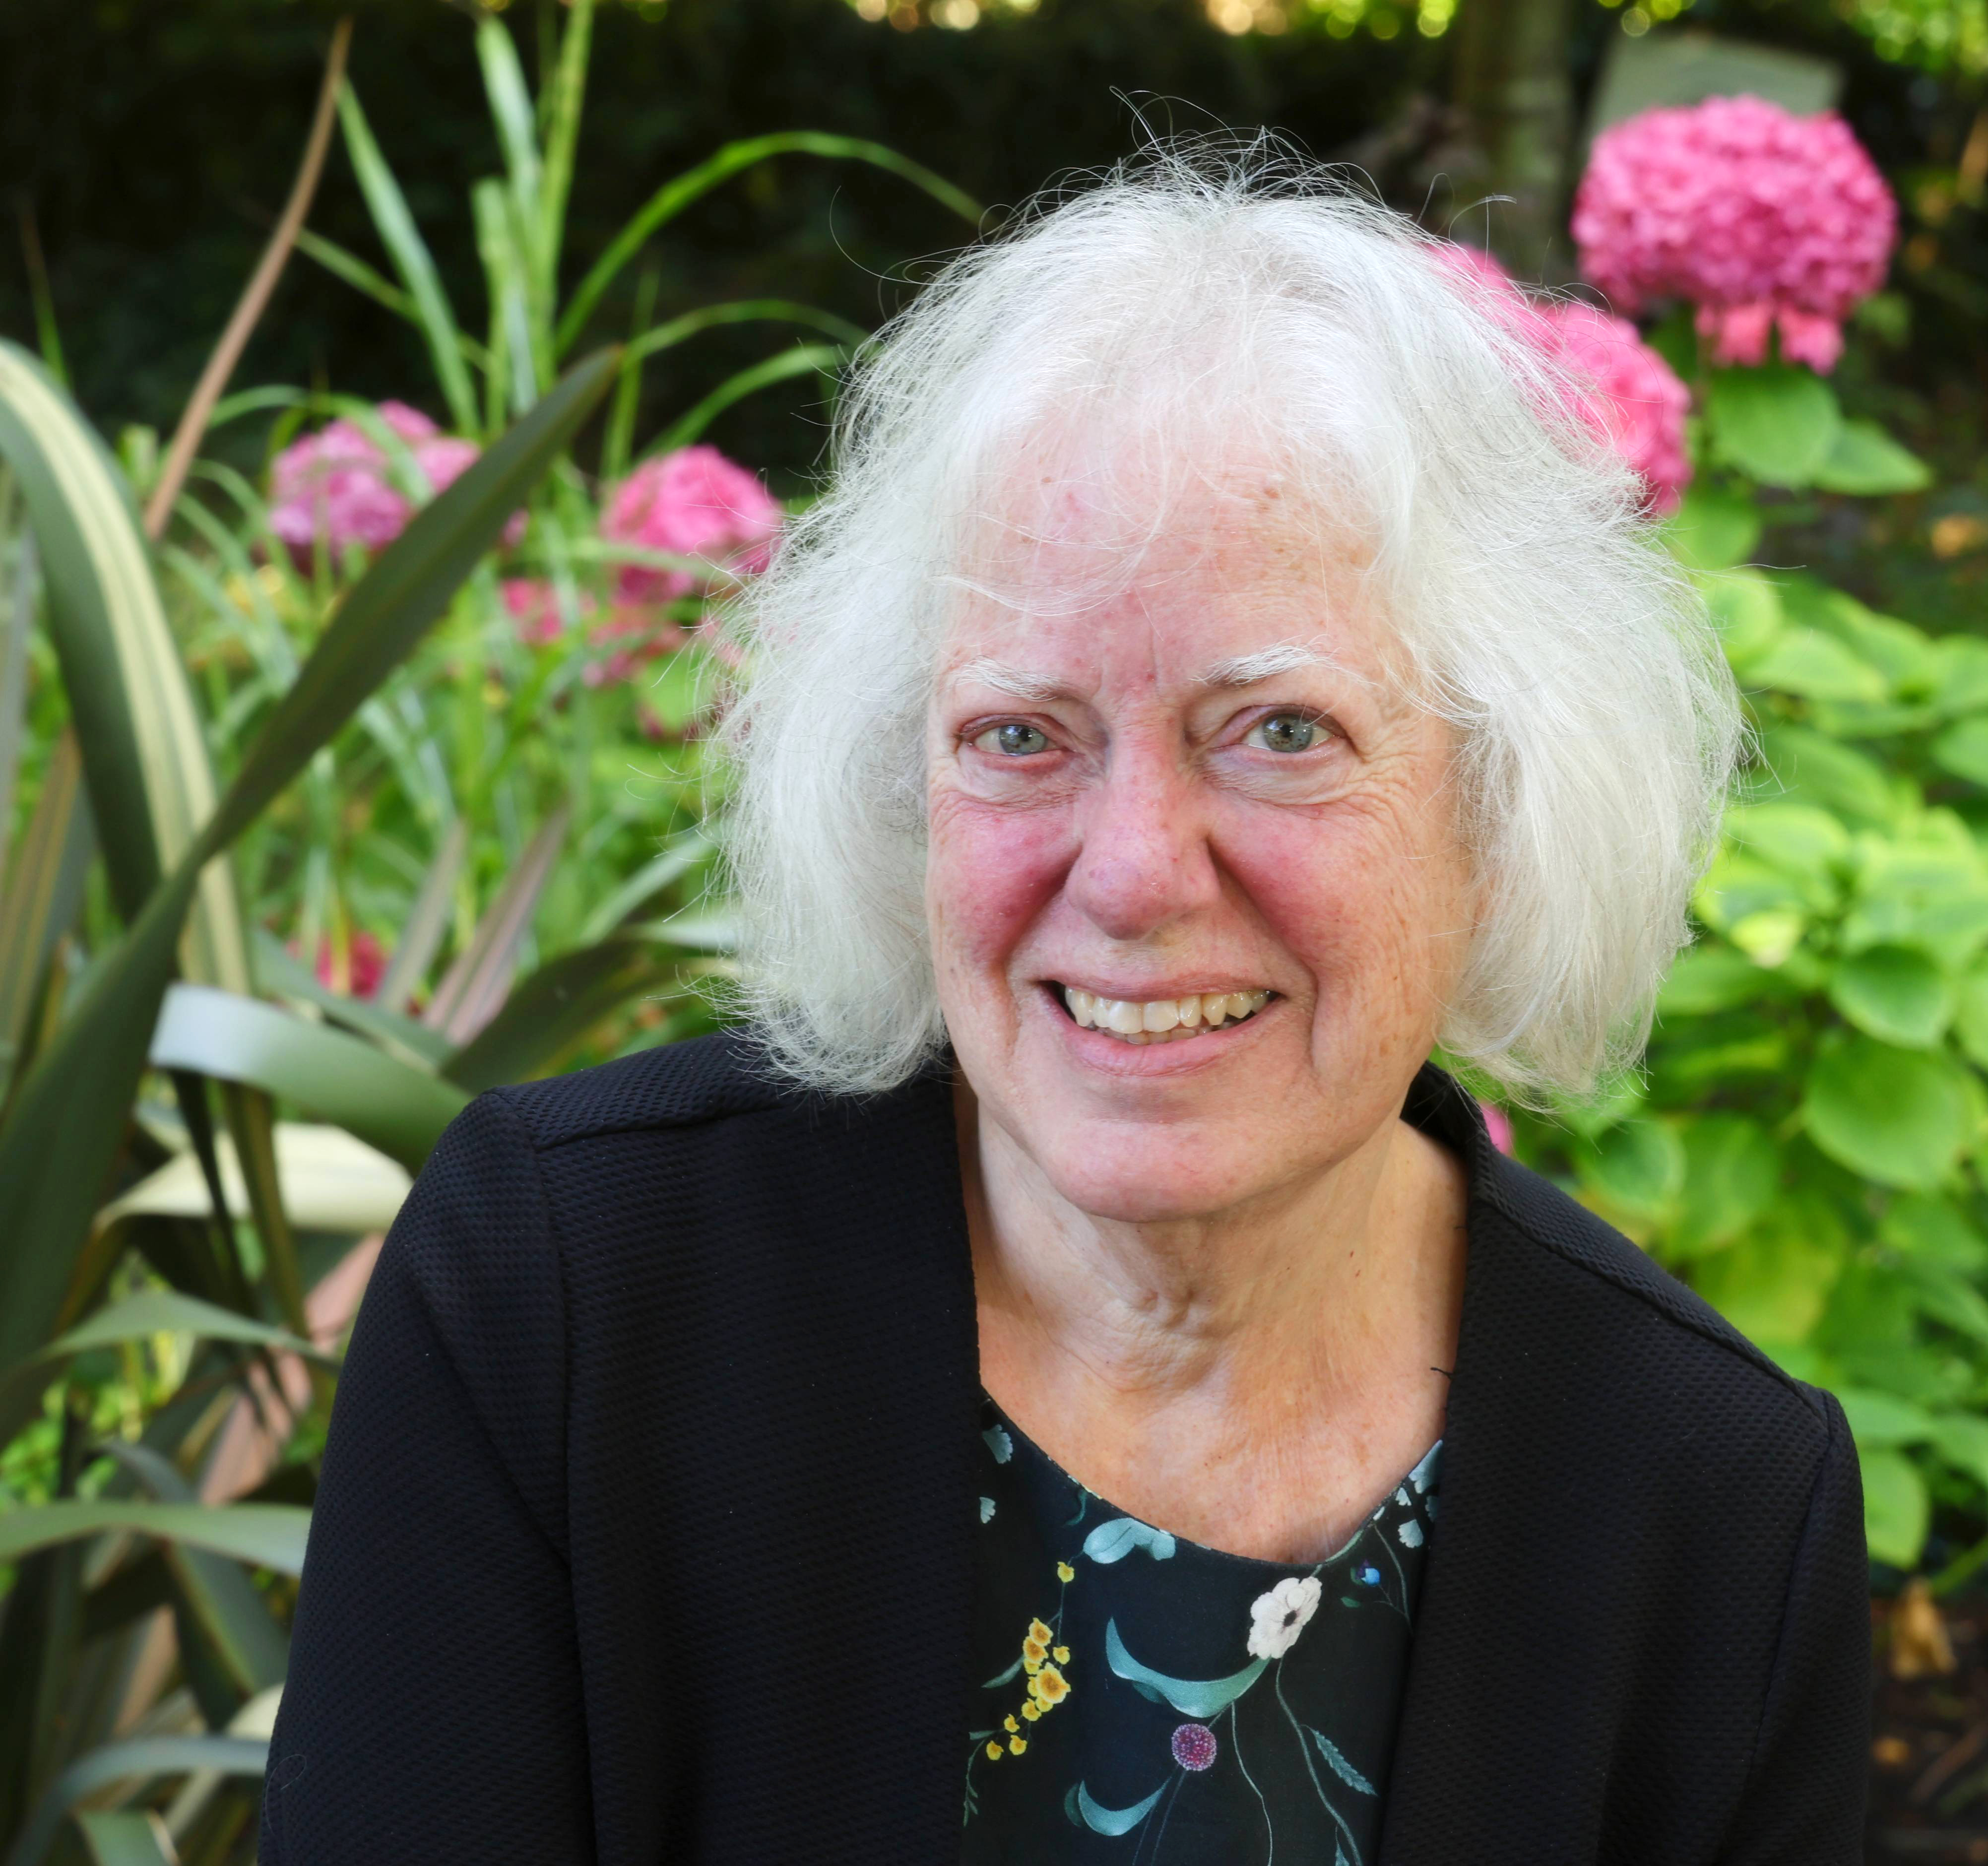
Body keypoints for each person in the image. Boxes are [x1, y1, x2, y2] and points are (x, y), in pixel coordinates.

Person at [264, 147, 1872, 1865]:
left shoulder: (1714, 1502)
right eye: (1021, 734)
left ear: (1495, 811)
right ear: (910, 796)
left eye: (1278, 731)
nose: (1130, 873)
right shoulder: (567, 1295)